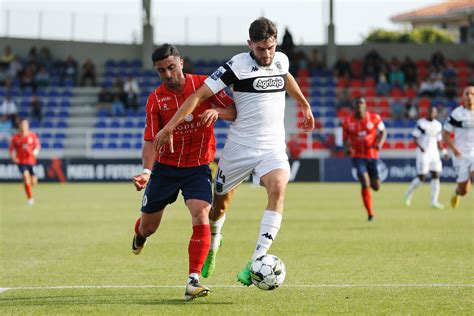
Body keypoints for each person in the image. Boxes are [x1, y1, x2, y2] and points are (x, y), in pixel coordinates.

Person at [153, 17, 315, 286]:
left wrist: (305, 105)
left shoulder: (281, 60)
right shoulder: (236, 66)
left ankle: (257, 259)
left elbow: (287, 79)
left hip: (273, 146)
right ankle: (215, 240)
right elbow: (197, 96)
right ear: (249, 44)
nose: (267, 54)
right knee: (218, 209)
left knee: (278, 190)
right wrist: (170, 127)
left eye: (271, 48)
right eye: (261, 49)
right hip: (240, 147)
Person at [130, 44, 236, 300]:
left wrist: (217, 112)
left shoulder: (205, 85)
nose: (167, 74)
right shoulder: (156, 99)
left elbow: (235, 112)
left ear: (181, 62)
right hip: (165, 169)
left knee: (201, 213)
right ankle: (139, 234)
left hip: (198, 166)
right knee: (149, 227)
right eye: (161, 71)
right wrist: (146, 169)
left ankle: (192, 280)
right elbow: (150, 140)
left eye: (171, 67)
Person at [342, 97, 387, 221]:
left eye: (361, 104)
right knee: (365, 182)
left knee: (376, 186)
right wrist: (346, 149)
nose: (359, 106)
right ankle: (370, 214)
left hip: (372, 155)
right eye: (357, 104)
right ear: (354, 106)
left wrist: (380, 143)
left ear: (365, 106)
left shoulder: (375, 118)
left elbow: (383, 132)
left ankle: (370, 188)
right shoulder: (347, 121)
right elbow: (345, 139)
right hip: (357, 156)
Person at [405, 107, 448, 209]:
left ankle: (434, 201)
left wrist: (444, 152)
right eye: (429, 111)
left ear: (435, 114)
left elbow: (439, 141)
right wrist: (421, 147)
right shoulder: (421, 123)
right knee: (422, 178)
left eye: (432, 112)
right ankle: (409, 192)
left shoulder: (438, 125)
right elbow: (415, 138)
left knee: (436, 175)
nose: (430, 114)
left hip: (434, 154)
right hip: (423, 153)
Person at [442, 86, 474, 208]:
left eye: (472, 93)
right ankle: (456, 193)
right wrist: (454, 149)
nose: (470, 96)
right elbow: (445, 134)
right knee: (463, 191)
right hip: (461, 154)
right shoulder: (456, 114)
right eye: (467, 94)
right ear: (463, 96)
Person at [8, 119, 41, 205]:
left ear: (27, 126)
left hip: (31, 162)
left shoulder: (32, 136)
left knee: (33, 182)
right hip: (21, 162)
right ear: (19, 126)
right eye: (22, 125)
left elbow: (37, 146)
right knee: (26, 178)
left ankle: (29, 185)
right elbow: (11, 149)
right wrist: (13, 157)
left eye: (25, 125)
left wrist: (35, 152)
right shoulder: (15, 138)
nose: (23, 127)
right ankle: (30, 199)